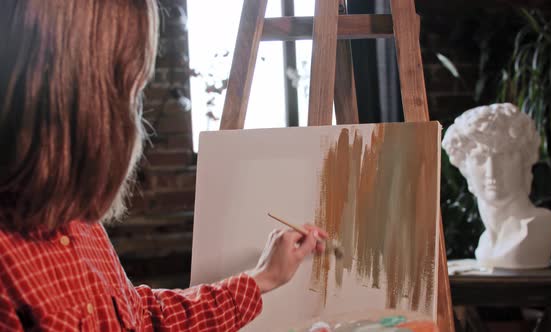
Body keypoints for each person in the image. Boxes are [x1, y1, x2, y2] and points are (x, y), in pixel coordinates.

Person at [0, 0, 327, 330]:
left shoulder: (74, 220)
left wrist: (264, 278)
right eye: (129, 91)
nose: (133, 119)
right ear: (75, 96)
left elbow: (142, 317)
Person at [442, 103, 551, 269]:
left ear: (524, 161)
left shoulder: (540, 225)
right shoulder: (485, 243)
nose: (492, 171)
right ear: (465, 167)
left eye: (503, 156)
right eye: (480, 158)